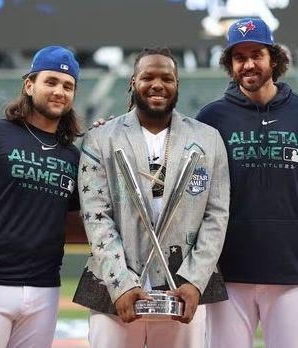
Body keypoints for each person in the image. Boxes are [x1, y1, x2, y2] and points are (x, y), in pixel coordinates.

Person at [72, 46, 230, 348]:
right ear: (133, 82)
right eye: (148, 77)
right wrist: (121, 283)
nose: (157, 84)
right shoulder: (101, 138)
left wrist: (194, 280)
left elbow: (217, 215)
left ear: (177, 85)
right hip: (114, 289)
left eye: (167, 78)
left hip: (182, 292)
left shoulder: (208, 139)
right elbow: (96, 216)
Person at [196, 18, 298, 348]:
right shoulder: (211, 118)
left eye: (256, 54)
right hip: (228, 272)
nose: (248, 64)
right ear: (230, 65)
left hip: (290, 270)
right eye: (239, 57)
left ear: (273, 58)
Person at [0, 45, 84, 347]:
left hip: (45, 289)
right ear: (29, 84)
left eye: (68, 86)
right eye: (51, 81)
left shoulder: (73, 156)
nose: (59, 91)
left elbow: (72, 224)